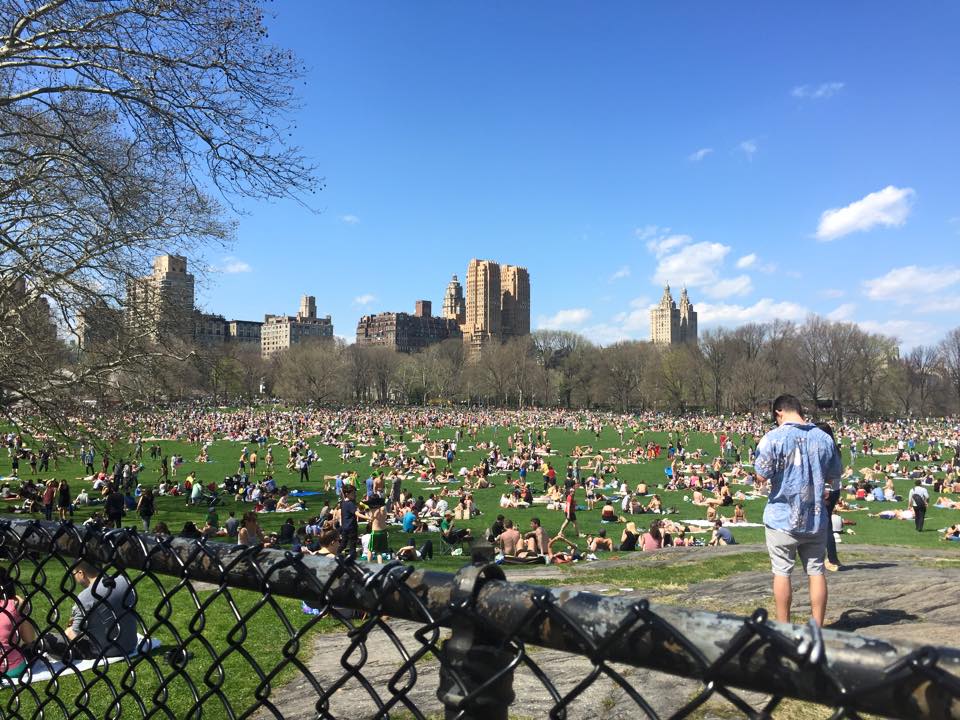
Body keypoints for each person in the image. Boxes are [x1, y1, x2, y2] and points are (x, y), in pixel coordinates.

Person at [755, 394, 841, 627]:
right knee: (816, 571)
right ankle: (818, 627)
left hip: (782, 516)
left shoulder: (773, 438)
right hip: (814, 516)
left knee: (782, 572)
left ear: (779, 413)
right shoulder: (824, 438)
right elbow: (835, 476)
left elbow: (761, 475)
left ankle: (784, 626)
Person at [41, 561, 137, 661]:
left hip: (104, 651)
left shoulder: (86, 596)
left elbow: (72, 636)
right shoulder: (124, 580)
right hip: (130, 645)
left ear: (81, 573)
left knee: (46, 638)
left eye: (74, 574)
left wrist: (69, 627)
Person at [0, 568, 35, 679]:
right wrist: (23, 607)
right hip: (12, 669)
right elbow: (29, 639)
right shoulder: (14, 605)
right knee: (31, 648)